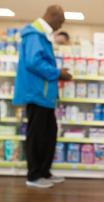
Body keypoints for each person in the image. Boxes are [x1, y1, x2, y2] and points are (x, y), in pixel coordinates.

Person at [13, 5, 72, 188]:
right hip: (36, 94)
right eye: (60, 21)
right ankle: (33, 176)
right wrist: (57, 73)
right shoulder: (34, 34)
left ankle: (44, 172)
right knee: (37, 136)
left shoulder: (41, 35)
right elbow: (34, 62)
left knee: (48, 134)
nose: (60, 25)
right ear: (53, 17)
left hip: (44, 95)